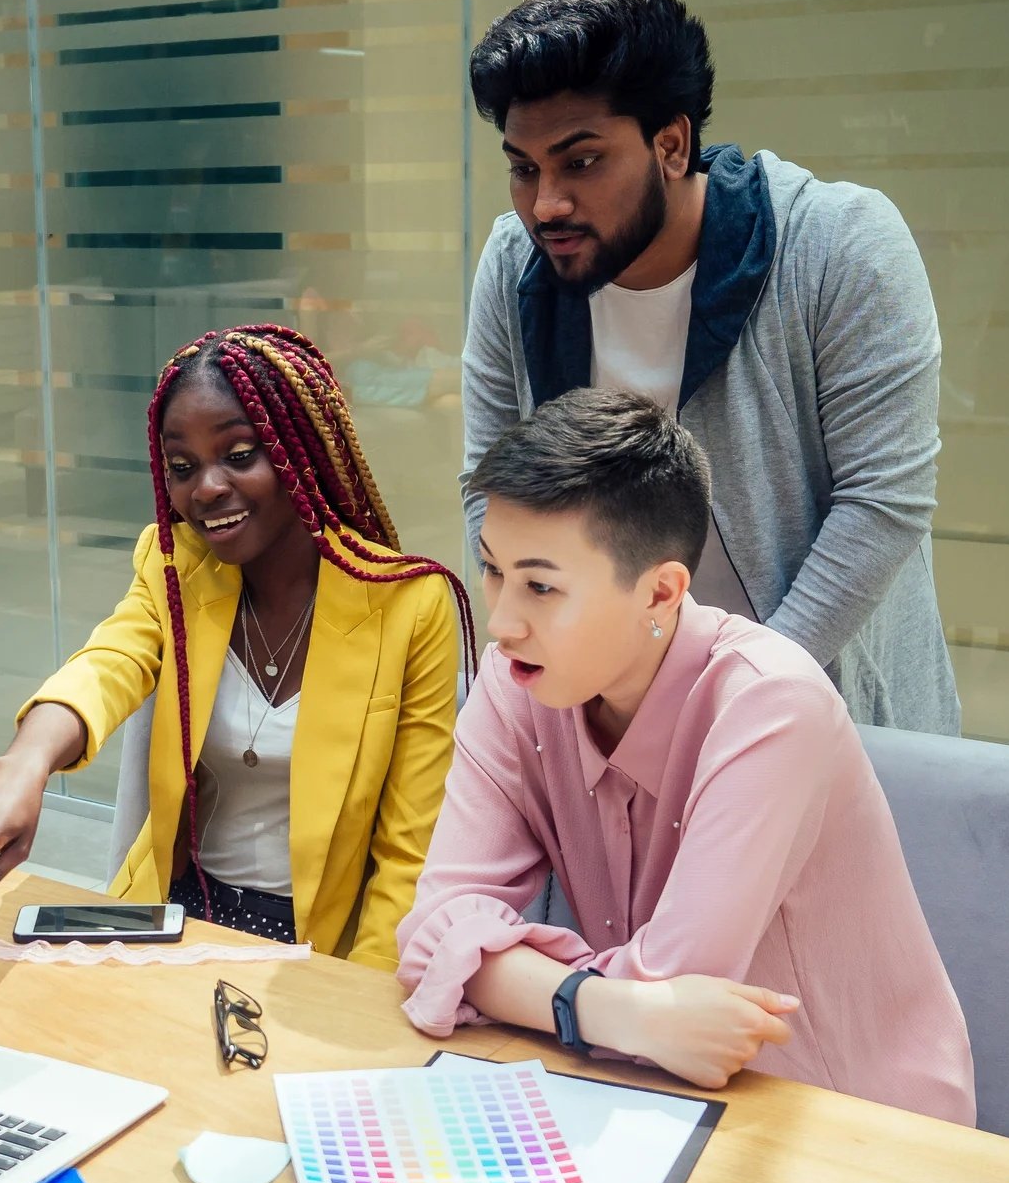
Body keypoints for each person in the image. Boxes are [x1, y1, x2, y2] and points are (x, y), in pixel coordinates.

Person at [400, 390, 975, 1123]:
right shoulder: (517, 682)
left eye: (541, 586)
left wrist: (535, 985)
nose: (504, 620)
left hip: (849, 1121)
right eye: (492, 570)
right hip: (642, 1095)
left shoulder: (769, 703)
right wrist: (610, 1007)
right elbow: (430, 936)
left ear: (662, 592)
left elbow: (675, 983)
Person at [458, 0, 960, 734]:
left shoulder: (836, 244)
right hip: (606, 711)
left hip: (817, 706)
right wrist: (572, 661)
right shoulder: (514, 264)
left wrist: (735, 700)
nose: (546, 203)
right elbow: (488, 489)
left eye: (581, 162)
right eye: (524, 168)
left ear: (672, 144)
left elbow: (882, 504)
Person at [0, 325, 476, 969]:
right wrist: (22, 765)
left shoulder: (410, 605)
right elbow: (112, 661)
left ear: (301, 451)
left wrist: (351, 1002)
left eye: (240, 454)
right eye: (183, 467)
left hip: (324, 946)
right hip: (174, 918)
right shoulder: (176, 567)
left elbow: (408, 858)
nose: (207, 488)